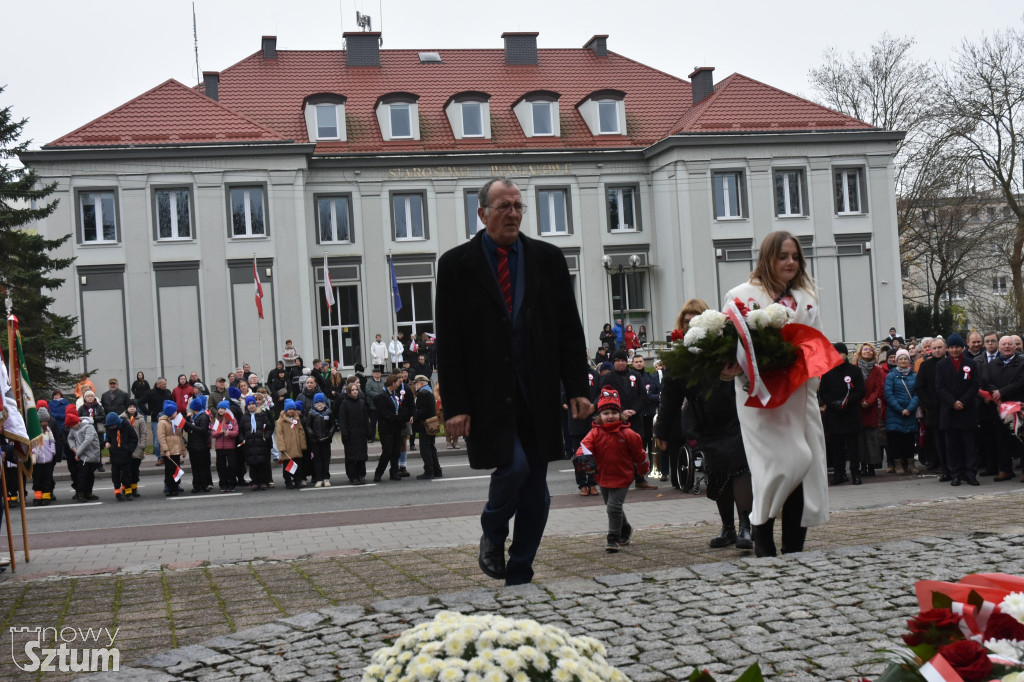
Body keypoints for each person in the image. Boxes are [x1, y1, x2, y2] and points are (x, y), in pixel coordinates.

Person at [436, 177, 592, 585]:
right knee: (514, 467)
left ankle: (520, 569)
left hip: (538, 391)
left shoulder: (548, 259)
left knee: (536, 488)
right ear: (482, 212)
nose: (513, 214)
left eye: (518, 206)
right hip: (488, 397)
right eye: (504, 206)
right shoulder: (456, 265)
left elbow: (568, 329)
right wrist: (455, 407)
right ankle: (492, 528)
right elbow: (449, 343)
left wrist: (577, 386)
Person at [724, 230, 829, 557]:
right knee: (779, 465)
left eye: (795, 256)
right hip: (760, 399)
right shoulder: (742, 295)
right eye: (783, 256)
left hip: (799, 397)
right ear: (767, 257)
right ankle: (762, 533)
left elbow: (816, 344)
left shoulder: (806, 298)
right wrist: (729, 367)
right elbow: (729, 347)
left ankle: (794, 544)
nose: (790, 262)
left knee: (804, 467)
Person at [575, 389, 647, 553]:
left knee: (613, 507)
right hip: (603, 476)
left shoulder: (628, 434)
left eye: (614, 412)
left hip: (623, 477)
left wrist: (643, 469)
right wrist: (582, 460)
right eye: (606, 413)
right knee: (612, 506)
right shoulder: (595, 433)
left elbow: (639, 454)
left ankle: (613, 538)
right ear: (599, 416)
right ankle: (626, 528)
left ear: (620, 414)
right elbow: (584, 448)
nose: (610, 416)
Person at [935, 333, 980, 486]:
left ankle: (971, 473)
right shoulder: (941, 365)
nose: (954, 350)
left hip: (967, 410)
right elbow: (939, 387)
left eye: (957, 347)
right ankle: (955, 473)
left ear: (963, 348)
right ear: (948, 349)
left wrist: (963, 401)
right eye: (952, 347)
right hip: (949, 411)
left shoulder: (971, 363)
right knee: (952, 445)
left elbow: (975, 385)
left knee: (969, 445)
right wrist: (953, 402)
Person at [978, 335, 1024, 482]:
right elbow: (986, 382)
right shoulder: (993, 364)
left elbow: (1021, 381)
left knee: (1020, 439)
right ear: (999, 348)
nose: (1006, 347)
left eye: (1009, 344)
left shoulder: (1022, 362)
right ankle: (1005, 469)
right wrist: (993, 392)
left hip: (1018, 408)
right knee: (1001, 439)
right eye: (1003, 345)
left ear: (1015, 346)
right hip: (999, 407)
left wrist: (1002, 392)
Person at [819, 343, 866, 485]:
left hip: (850, 413)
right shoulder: (827, 371)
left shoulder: (855, 371)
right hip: (834, 414)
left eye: (840, 353)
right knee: (836, 446)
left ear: (846, 354)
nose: (837, 356)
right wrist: (833, 402)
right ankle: (839, 474)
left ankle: (855, 473)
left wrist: (846, 401)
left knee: (853, 446)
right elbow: (823, 392)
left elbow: (860, 391)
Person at [915, 337, 947, 478]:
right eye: (934, 348)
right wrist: (928, 403)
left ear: (945, 348)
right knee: (936, 439)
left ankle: (950, 464)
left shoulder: (950, 363)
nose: (937, 350)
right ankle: (939, 462)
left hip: (950, 408)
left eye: (940, 347)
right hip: (933, 409)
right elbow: (919, 387)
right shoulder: (925, 366)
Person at [373, 373, 411, 482]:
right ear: (392, 383)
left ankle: (394, 472)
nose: (399, 385)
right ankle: (378, 473)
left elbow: (400, 407)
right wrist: (397, 418)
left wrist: (404, 415)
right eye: (397, 383)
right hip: (386, 428)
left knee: (396, 451)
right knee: (387, 451)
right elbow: (385, 413)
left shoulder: (394, 394)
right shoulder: (382, 396)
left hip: (396, 427)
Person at [856, 343, 886, 477]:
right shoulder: (855, 368)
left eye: (870, 350)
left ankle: (872, 466)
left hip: (871, 407)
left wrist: (869, 401)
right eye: (865, 349)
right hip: (857, 408)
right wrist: (861, 400)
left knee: (872, 438)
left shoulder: (877, 370)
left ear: (873, 353)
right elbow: (853, 387)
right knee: (860, 438)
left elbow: (878, 388)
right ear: (860, 352)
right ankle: (862, 465)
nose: (867, 351)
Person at [337, 381, 369, 484]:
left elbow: (366, 418)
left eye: (356, 390)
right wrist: (345, 434)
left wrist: (368, 432)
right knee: (351, 457)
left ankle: (361, 475)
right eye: (353, 390)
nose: (355, 392)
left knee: (361, 456)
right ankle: (353, 476)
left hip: (361, 434)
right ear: (349, 392)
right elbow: (343, 420)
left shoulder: (361, 402)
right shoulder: (345, 403)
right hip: (350, 435)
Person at [238, 395, 273, 490]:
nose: (251, 406)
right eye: (249, 404)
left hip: (261, 443)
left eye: (253, 403)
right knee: (252, 464)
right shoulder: (244, 417)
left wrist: (266, 437)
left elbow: (269, 427)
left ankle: (263, 481)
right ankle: (254, 481)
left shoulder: (261, 415)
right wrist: (242, 439)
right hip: (249, 444)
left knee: (262, 463)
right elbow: (241, 430)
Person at [66, 411, 100, 502]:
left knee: (89, 475)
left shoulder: (89, 427)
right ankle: (80, 493)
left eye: (71, 426)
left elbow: (87, 442)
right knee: (83, 475)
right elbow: (70, 438)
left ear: (76, 422)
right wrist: (74, 448)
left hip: (91, 454)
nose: (71, 428)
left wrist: (78, 453)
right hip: (83, 456)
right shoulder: (73, 429)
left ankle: (88, 492)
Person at [412, 375, 442, 479]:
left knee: (425, 449)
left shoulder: (422, 393)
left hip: (424, 425)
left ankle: (429, 471)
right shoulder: (429, 391)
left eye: (416, 383)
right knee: (431, 448)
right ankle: (437, 470)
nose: (415, 385)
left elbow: (421, 411)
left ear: (421, 383)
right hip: (431, 424)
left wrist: (413, 417)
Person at [104, 411, 138, 501]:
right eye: (110, 426)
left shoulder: (127, 426)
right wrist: (107, 442)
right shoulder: (110, 428)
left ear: (117, 423)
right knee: (115, 475)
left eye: (112, 425)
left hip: (125, 455)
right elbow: (108, 436)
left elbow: (134, 438)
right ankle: (117, 492)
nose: (111, 427)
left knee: (126, 475)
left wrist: (128, 449)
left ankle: (128, 492)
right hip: (115, 455)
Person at [275, 399, 307, 489]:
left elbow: (301, 432)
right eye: (289, 409)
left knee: (298, 467)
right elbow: (279, 435)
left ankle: (297, 481)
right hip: (287, 449)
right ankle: (288, 482)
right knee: (287, 467)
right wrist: (281, 447)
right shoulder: (281, 421)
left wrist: (302, 444)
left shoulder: (296, 419)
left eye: (293, 409)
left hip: (296, 448)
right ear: (286, 410)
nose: (291, 411)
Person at [304, 392, 335, 487]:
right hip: (315, 441)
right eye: (317, 402)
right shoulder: (311, 413)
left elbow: (333, 424)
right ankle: (318, 478)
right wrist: (311, 434)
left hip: (326, 440)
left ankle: (326, 478)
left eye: (321, 402)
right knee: (317, 460)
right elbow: (308, 425)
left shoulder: (328, 412)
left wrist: (330, 433)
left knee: (326, 459)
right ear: (314, 403)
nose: (320, 404)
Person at [183, 397, 213, 493]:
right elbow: (187, 429)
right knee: (194, 467)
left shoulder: (203, 416)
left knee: (202, 467)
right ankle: (196, 485)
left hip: (201, 446)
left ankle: (204, 485)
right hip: (192, 446)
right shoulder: (193, 417)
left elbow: (203, 430)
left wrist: (190, 425)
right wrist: (186, 420)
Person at [157, 401, 186, 497]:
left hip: (176, 449)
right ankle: (170, 488)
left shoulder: (177, 421)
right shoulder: (162, 423)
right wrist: (166, 450)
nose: (176, 413)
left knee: (176, 469)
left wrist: (183, 449)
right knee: (169, 470)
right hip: (169, 451)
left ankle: (176, 486)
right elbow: (161, 438)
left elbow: (179, 436)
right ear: (170, 413)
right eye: (175, 412)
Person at [211, 400, 239, 492]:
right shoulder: (217, 420)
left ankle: (232, 483)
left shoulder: (232, 420)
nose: (220, 410)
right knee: (221, 466)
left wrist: (229, 433)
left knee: (232, 466)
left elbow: (236, 432)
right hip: (219, 448)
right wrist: (219, 432)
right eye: (219, 408)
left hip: (230, 447)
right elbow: (213, 433)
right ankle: (223, 484)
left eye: (223, 408)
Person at [123, 399, 148, 498]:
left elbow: (143, 433)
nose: (132, 408)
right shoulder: (122, 418)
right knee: (125, 471)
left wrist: (142, 445)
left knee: (135, 470)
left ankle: (134, 488)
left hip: (137, 448)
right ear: (127, 408)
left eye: (133, 407)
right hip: (126, 448)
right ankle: (126, 489)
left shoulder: (140, 419)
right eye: (130, 407)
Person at [32, 408, 56, 506]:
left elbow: (52, 441)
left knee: (47, 478)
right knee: (37, 479)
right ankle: (38, 497)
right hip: (37, 460)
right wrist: (33, 452)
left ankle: (46, 496)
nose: (46, 423)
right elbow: (31, 444)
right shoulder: (34, 431)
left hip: (47, 459)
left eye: (47, 421)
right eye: (44, 421)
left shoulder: (48, 430)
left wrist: (52, 451)